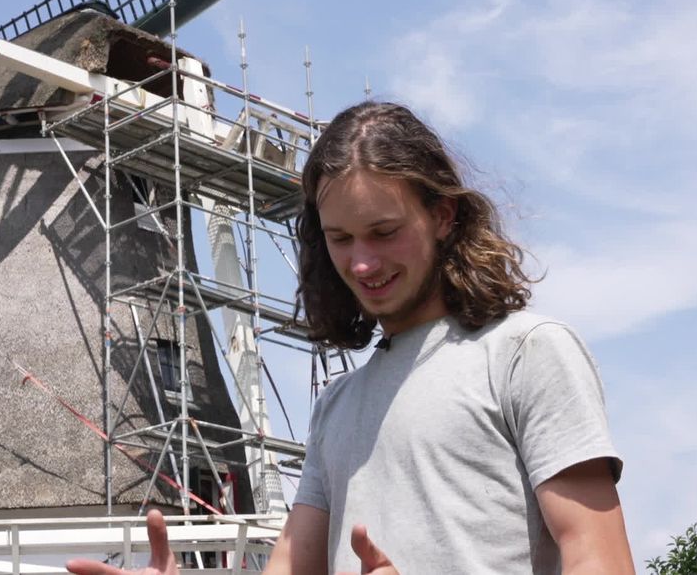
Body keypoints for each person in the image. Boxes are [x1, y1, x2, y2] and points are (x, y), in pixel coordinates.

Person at [68, 101, 633, 574]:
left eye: (384, 232)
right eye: (340, 239)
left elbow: (599, 560)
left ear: (443, 216)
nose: (362, 263)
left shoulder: (525, 353)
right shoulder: (335, 407)